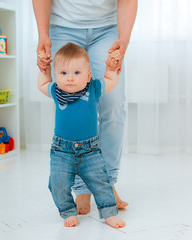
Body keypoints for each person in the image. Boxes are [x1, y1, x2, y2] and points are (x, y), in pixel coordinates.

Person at [32, 0, 137, 214]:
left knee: (113, 103)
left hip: (107, 29)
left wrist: (123, 41)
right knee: (70, 105)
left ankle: (105, 184)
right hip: (62, 26)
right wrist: (43, 34)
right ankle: (81, 188)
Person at [37, 42, 124, 228]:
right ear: (56, 75)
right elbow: (43, 83)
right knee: (57, 184)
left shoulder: (93, 88)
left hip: (90, 150)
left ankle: (109, 213)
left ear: (88, 75)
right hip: (62, 151)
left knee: (101, 182)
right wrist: (44, 69)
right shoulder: (56, 90)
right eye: (63, 73)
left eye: (77, 73)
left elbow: (111, 80)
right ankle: (67, 211)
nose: (70, 78)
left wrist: (111, 68)